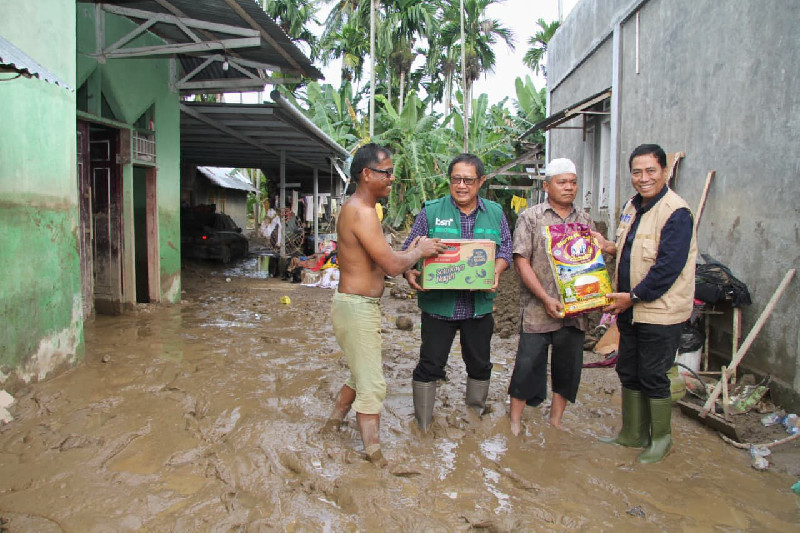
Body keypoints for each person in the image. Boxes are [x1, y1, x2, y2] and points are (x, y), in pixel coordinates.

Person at [323, 143, 446, 466]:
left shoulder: (363, 210)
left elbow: (381, 265)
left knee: (359, 375)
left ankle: (332, 424)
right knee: (373, 385)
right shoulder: (361, 212)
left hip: (358, 305)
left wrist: (410, 259)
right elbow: (392, 265)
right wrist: (419, 251)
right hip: (356, 306)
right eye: (387, 172)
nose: (392, 178)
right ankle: (375, 458)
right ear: (367, 174)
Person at [595, 143, 697, 464]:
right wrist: (609, 247)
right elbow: (632, 250)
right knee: (629, 370)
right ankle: (633, 433)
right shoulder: (632, 206)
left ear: (664, 172)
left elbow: (667, 268)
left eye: (650, 171)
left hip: (659, 311)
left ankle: (661, 439)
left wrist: (632, 297)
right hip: (630, 309)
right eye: (637, 172)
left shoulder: (676, 212)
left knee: (654, 374)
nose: (643, 178)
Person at [403, 153, 512, 432]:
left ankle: (473, 418)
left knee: (480, 364)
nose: (461, 185)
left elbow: (505, 251)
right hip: (439, 308)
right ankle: (423, 425)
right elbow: (408, 251)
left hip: (479, 307)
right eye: (456, 179)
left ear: (481, 181)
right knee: (430, 365)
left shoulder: (496, 213)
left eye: (468, 180)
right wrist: (409, 272)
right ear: (449, 180)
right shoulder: (431, 212)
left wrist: (496, 271)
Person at [507, 158, 594, 435]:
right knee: (527, 364)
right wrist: (545, 298)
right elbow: (522, 261)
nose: (569, 188)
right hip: (537, 308)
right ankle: (515, 420)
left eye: (573, 182)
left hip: (574, 309)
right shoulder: (531, 217)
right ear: (546, 186)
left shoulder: (584, 219)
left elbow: (590, 263)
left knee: (568, 368)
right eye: (562, 182)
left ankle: (555, 421)